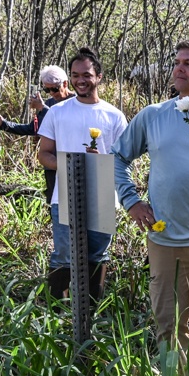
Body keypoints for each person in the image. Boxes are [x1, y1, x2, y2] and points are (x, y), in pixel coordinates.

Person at [113, 39, 189, 375]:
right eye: (177, 62)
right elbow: (118, 157)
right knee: (169, 323)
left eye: (188, 64)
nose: (178, 68)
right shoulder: (153, 116)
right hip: (165, 240)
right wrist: (132, 201)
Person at [38, 47, 128, 303]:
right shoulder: (57, 112)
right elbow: (44, 154)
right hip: (64, 194)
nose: (80, 80)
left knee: (97, 256)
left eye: (86, 74)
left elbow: (125, 160)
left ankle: (91, 314)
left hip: (102, 194)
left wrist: (101, 162)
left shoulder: (115, 115)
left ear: (98, 76)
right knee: (64, 256)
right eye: (75, 75)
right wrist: (73, 164)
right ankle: (57, 315)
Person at [0, 65, 74, 204]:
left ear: (65, 84)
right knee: (54, 204)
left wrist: (42, 108)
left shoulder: (77, 102)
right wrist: (4, 124)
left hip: (72, 163)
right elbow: (33, 129)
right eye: (47, 90)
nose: (52, 93)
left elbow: (67, 126)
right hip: (52, 164)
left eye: (54, 88)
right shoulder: (50, 103)